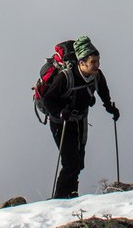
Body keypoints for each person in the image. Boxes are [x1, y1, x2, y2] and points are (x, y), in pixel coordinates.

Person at [39, 35, 119, 198]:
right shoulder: (65, 77)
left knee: (78, 162)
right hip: (60, 123)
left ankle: (71, 195)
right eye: (93, 62)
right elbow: (48, 99)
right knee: (70, 163)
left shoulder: (96, 75)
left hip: (80, 120)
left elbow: (103, 90)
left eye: (98, 61)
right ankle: (59, 199)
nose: (97, 66)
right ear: (81, 62)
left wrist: (109, 107)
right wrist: (60, 112)